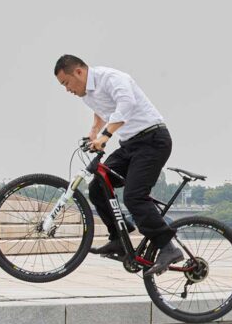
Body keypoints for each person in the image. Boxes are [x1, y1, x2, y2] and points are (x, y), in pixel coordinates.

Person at [54, 54, 183, 275]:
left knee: (134, 196)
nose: (67, 89)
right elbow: (102, 110)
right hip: (130, 145)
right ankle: (118, 240)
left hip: (153, 140)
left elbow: (126, 103)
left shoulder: (111, 78)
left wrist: (105, 136)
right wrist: (94, 131)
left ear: (78, 72)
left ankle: (168, 247)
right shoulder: (87, 93)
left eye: (66, 83)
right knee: (98, 187)